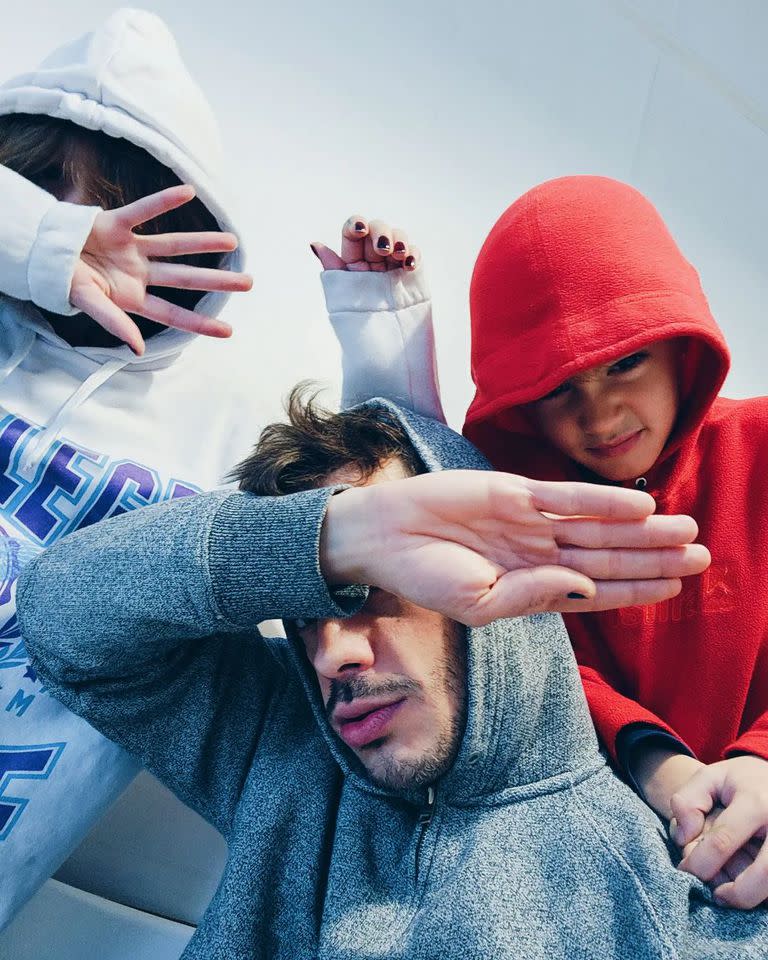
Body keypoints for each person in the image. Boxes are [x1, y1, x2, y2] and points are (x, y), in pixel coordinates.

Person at [19, 386, 766, 959]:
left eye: (367, 590)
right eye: (308, 608)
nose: (330, 654)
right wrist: (330, 541)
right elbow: (61, 614)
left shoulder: (661, 882)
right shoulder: (279, 747)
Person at [313, 177, 768, 911]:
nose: (601, 414)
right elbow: (503, 648)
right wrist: (656, 761)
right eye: (557, 388)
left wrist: (761, 760)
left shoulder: (762, 447)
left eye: (625, 362)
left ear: (682, 349)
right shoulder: (515, 503)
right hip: (590, 858)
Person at [0, 8, 255, 930]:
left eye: (115, 206)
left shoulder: (220, 439)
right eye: (45, 192)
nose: (95, 240)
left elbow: (392, 490)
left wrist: (381, 311)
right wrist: (42, 249)